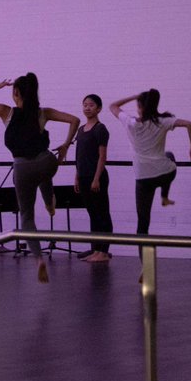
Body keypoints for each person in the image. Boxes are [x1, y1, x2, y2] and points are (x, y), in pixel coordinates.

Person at [0, 73, 79, 283]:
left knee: (27, 216)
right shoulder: (43, 113)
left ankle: (38, 259)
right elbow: (75, 120)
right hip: (47, 162)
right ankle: (50, 202)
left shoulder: (7, 112)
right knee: (43, 175)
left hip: (22, 168)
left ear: (16, 93)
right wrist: (66, 145)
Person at [109, 88, 191, 236]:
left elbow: (113, 106)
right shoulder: (163, 121)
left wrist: (134, 96)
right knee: (169, 155)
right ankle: (164, 196)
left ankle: (146, 251)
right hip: (165, 174)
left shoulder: (130, 122)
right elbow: (189, 124)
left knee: (143, 222)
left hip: (143, 178)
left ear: (140, 107)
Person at [74, 94, 113, 263]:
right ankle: (96, 249)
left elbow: (102, 157)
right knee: (93, 214)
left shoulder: (100, 129)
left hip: (96, 177)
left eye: (91, 105)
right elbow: (79, 156)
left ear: (99, 108)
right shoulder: (80, 129)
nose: (87, 108)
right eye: (85, 105)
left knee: (102, 214)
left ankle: (103, 251)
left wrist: (96, 178)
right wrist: (77, 176)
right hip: (83, 176)